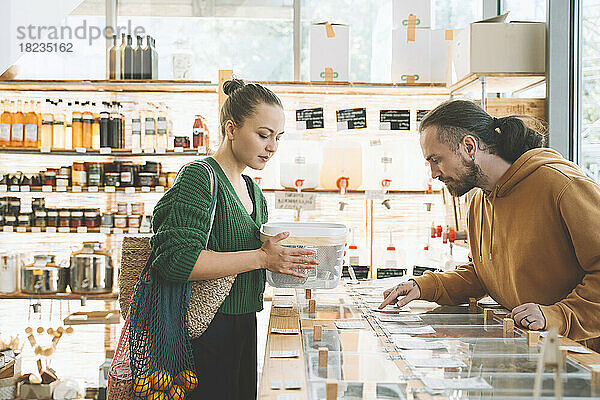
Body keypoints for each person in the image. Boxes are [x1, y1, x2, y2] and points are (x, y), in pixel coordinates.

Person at [379, 99, 600, 351]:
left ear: (469, 147)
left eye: (436, 159)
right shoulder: (479, 202)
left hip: (578, 357)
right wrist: (423, 286)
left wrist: (557, 316)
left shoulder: (562, 186)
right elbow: (483, 274)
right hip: (529, 353)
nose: (433, 173)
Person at [149, 78, 318, 399]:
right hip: (200, 329)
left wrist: (288, 260)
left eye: (278, 138)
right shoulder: (200, 176)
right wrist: (262, 257)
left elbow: (258, 259)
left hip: (243, 324)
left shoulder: (254, 190)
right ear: (231, 129)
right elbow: (175, 261)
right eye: (263, 135)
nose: (272, 147)